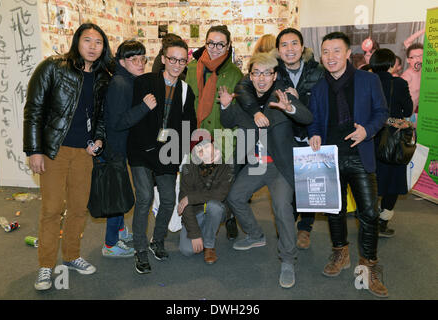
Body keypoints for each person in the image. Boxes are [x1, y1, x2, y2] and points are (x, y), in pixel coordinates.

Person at [23, 23, 113, 290]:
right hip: (54, 151)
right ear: (77, 41)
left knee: (77, 209)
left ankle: (72, 255)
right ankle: (46, 266)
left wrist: (98, 139)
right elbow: (34, 109)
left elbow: (100, 117)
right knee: (51, 210)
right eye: (88, 40)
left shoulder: (101, 77)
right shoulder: (52, 67)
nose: (93, 47)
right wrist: (34, 150)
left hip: (83, 154)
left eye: (99, 42)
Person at [220, 50, 313, 289]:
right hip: (256, 165)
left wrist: (290, 107)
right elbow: (228, 122)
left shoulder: (283, 96)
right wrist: (225, 106)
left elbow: (306, 117)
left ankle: (288, 259)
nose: (261, 78)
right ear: (250, 76)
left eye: (267, 73)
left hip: (280, 166)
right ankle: (255, 235)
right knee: (235, 197)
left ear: (274, 76)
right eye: (256, 73)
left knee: (282, 209)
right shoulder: (245, 100)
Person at [308, 32, 389, 298]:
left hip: (360, 154)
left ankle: (368, 266)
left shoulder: (368, 80)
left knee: (369, 213)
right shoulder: (319, 87)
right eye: (325, 52)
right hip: (330, 157)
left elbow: (381, 112)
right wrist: (314, 134)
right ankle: (340, 253)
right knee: (334, 210)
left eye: (335, 51)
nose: (330, 57)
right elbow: (315, 120)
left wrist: (367, 131)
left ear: (347, 53)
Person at [234, 27, 323, 250]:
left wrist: (293, 106)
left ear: (302, 47)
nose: (289, 49)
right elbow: (243, 86)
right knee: (283, 202)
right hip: (278, 142)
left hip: (308, 137)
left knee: (299, 197)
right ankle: (271, 234)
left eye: (294, 44)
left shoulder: (317, 71)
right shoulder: (272, 69)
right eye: (284, 44)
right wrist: (256, 111)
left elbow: (312, 112)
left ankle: (302, 232)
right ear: (278, 49)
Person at [127, 39, 197, 274]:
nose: (177, 64)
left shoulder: (186, 90)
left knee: (168, 199)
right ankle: (140, 250)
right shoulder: (144, 82)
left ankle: (157, 240)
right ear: (163, 59)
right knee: (145, 197)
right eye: (172, 59)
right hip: (141, 150)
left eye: (181, 60)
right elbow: (131, 115)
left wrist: (180, 156)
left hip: (168, 153)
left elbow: (189, 125)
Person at [185, 25, 243, 241]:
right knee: (198, 182)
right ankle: (198, 225)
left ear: (228, 45)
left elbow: (237, 114)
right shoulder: (192, 68)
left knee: (224, 185)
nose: (215, 48)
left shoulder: (235, 74)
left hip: (223, 137)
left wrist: (228, 147)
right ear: (205, 42)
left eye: (221, 44)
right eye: (211, 43)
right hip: (197, 136)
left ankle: (229, 218)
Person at [101, 40, 149, 258]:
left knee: (119, 193)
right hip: (114, 149)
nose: (140, 64)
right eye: (134, 59)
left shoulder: (127, 79)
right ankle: (110, 244)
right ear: (122, 61)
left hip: (118, 147)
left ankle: (120, 231)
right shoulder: (121, 83)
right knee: (116, 197)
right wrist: (144, 108)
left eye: (143, 59)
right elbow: (118, 122)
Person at [370, 48, 413, 237]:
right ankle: (382, 222)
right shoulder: (400, 83)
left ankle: (367, 220)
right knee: (392, 182)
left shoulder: (366, 82)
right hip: (393, 140)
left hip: (370, 138)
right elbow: (409, 109)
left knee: (369, 181)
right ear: (391, 64)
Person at [178, 139, 234, 264]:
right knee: (187, 250)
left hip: (216, 209)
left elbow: (218, 195)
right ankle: (202, 231)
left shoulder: (226, 166)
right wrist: (194, 234)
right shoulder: (189, 166)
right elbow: (183, 202)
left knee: (214, 206)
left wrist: (190, 198)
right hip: (195, 211)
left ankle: (209, 245)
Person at [401, 43, 423, 117]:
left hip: (413, 115)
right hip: (403, 116)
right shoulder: (406, 76)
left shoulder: (422, 72)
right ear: (408, 60)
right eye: (414, 57)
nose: (419, 59)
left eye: (421, 56)